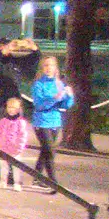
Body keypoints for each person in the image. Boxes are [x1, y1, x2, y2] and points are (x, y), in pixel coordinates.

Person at [0, 37, 40, 183]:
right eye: (4, 45)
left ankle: (12, 174)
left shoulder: (14, 61)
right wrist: (3, 52)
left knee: (14, 140)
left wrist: (34, 49)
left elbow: (32, 63)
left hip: (14, 104)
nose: (8, 48)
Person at [29, 56, 73, 187]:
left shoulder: (59, 84)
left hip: (55, 121)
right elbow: (39, 105)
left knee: (45, 150)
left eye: (51, 65)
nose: (49, 68)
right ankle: (53, 182)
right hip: (41, 121)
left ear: (56, 68)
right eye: (46, 66)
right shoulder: (38, 84)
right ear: (42, 69)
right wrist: (55, 98)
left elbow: (65, 106)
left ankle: (36, 177)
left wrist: (69, 96)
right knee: (50, 151)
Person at [0, 96, 30, 190]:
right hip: (3, 148)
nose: (11, 110)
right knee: (3, 166)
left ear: (18, 109)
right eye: (9, 107)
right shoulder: (3, 121)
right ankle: (3, 181)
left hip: (15, 149)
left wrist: (19, 147)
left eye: (13, 108)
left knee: (16, 167)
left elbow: (22, 136)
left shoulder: (21, 122)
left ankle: (17, 183)